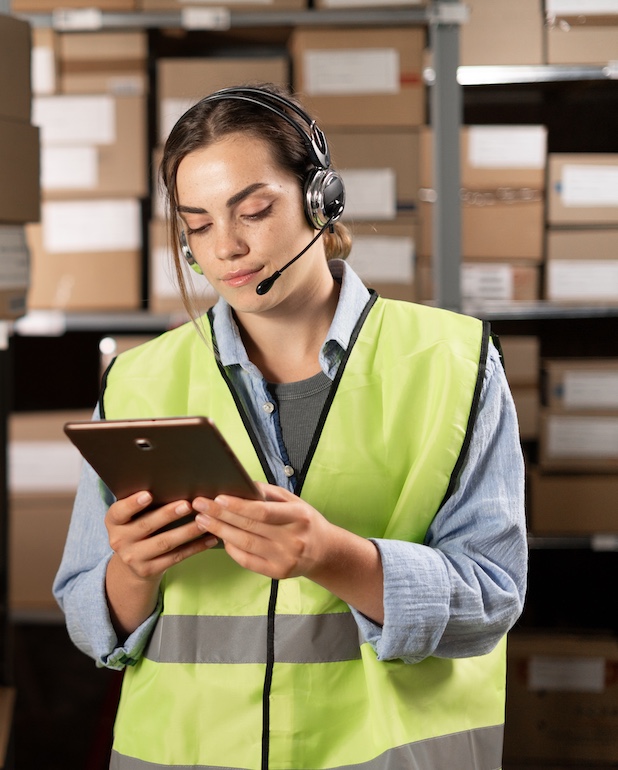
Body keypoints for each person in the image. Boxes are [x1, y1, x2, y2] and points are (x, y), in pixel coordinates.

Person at [54, 82, 528, 770]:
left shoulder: (453, 363)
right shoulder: (137, 382)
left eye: (253, 210)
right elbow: (86, 612)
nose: (229, 247)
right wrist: (134, 569)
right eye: (199, 224)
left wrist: (333, 556)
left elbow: (492, 595)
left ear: (320, 200)